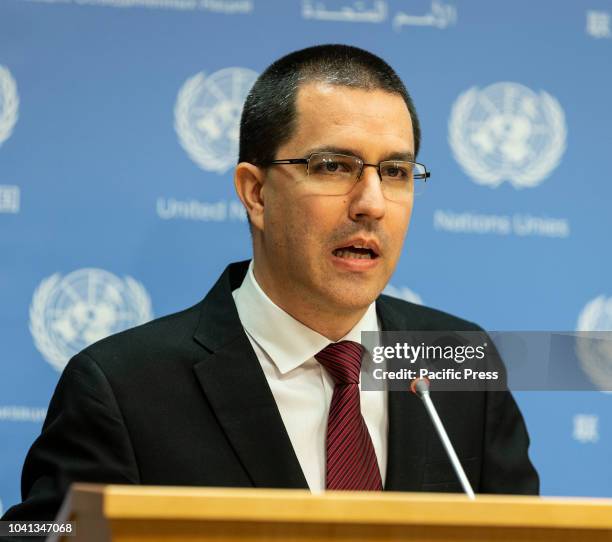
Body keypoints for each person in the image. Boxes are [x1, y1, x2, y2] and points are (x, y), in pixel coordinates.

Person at [1, 44, 538, 525]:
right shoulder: (122, 389)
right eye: (333, 166)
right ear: (256, 193)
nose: (372, 203)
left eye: (395, 172)